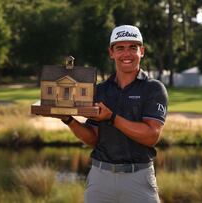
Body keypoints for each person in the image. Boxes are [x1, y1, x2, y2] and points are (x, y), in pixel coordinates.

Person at [60, 25, 168, 203]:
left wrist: (112, 118)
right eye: (120, 48)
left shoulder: (154, 89)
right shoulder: (100, 90)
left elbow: (151, 136)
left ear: (142, 51)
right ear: (111, 52)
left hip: (139, 178)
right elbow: (93, 138)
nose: (127, 54)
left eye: (132, 47)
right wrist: (68, 119)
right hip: (100, 178)